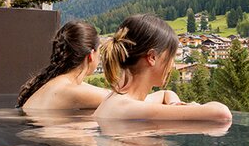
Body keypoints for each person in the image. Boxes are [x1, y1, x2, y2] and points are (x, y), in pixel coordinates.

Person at [95, 14, 232, 124]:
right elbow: (222, 114)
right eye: (171, 56)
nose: (172, 65)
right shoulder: (128, 109)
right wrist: (193, 107)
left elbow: (165, 93)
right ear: (152, 57)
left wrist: (174, 103)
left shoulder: (121, 100)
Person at [17, 20, 110, 113]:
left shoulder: (57, 83)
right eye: (99, 52)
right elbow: (116, 100)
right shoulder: (70, 91)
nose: (100, 57)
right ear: (91, 55)